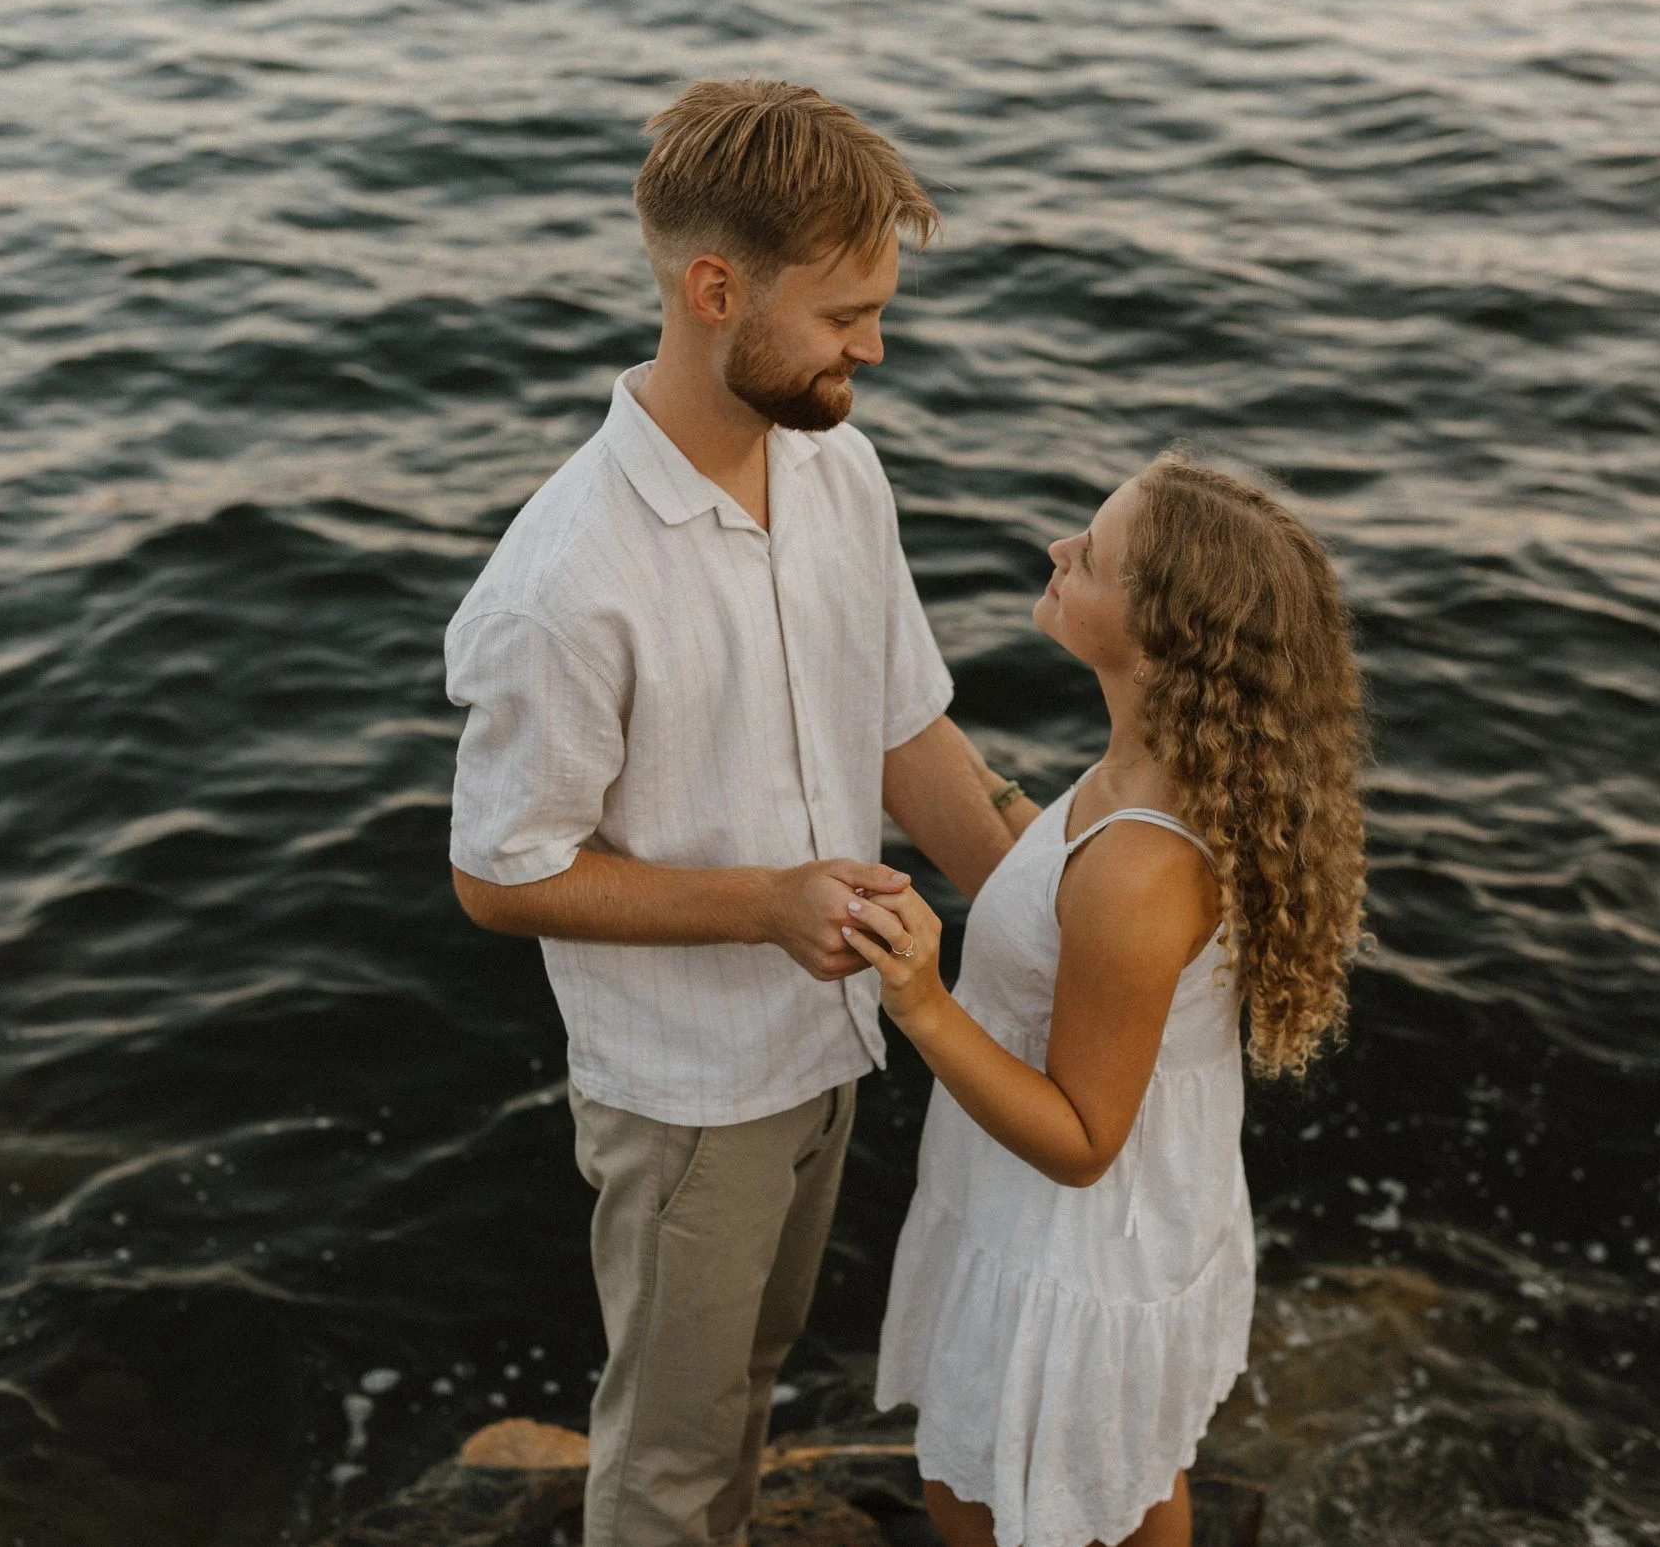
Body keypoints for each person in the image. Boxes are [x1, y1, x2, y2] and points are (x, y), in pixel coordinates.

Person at [443, 79, 1026, 1547]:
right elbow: (502, 875)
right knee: (670, 1448)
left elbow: (904, 724)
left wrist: (1053, 901)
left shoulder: (842, 468)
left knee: (752, 1384)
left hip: (828, 1046)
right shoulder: (565, 581)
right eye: (845, 318)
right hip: (688, 1093)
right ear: (717, 290)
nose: (873, 349)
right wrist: (767, 905)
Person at [842, 456, 1368, 1547]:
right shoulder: (1158, 773)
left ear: (1162, 635)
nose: (1057, 551)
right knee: (1126, 1489)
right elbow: (1055, 881)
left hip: (1070, 1241)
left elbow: (1083, 1138)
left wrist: (923, 998)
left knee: (986, 1500)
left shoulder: (1142, 865)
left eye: (1092, 553)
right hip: (1114, 1224)